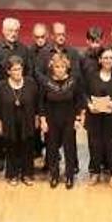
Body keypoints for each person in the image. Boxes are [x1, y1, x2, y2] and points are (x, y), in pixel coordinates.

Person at [0, 17, 32, 173]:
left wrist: (20, 85)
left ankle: (18, 158)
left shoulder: (24, 49)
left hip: (22, 93)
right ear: (3, 31)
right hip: (3, 95)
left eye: (16, 31)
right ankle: (1, 157)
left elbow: (29, 72)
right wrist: (7, 86)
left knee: (20, 127)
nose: (13, 33)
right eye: (10, 30)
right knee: (2, 128)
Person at [38, 52, 85, 189]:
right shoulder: (46, 82)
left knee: (69, 149)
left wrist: (78, 118)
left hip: (69, 120)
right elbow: (41, 103)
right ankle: (54, 175)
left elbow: (79, 101)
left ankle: (69, 175)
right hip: (51, 121)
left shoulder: (73, 81)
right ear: (52, 67)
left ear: (67, 67)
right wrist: (43, 120)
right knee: (52, 149)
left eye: (62, 67)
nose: (59, 69)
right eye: (57, 67)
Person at [84, 48, 112, 187]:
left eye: (111, 58)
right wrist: (89, 104)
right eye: (105, 58)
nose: (108, 60)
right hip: (95, 117)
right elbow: (83, 93)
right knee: (94, 145)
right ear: (99, 60)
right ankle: (95, 172)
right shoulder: (91, 75)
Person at [0, 55, 39, 185]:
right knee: (11, 147)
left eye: (19, 69)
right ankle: (12, 174)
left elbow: (37, 103)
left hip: (27, 121)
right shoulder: (1, 86)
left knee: (28, 147)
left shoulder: (30, 82)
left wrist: (37, 118)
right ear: (8, 71)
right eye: (14, 69)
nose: (17, 72)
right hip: (9, 122)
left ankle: (27, 174)